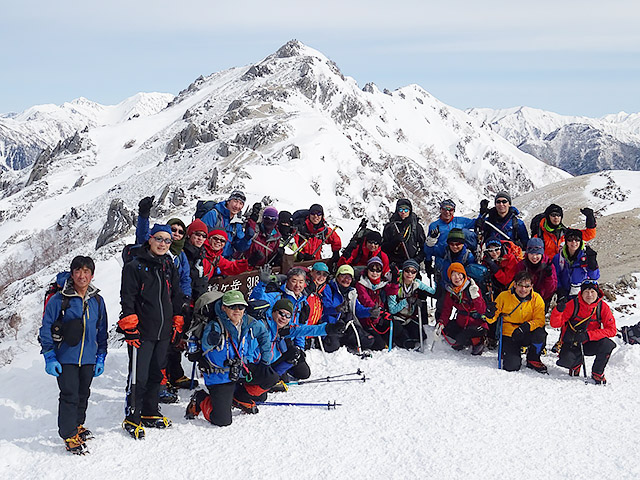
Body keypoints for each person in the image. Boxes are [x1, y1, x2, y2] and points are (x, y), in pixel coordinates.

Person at [119, 224, 185, 439]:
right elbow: (127, 297)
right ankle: (133, 416)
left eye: (167, 240)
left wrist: (177, 317)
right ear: (150, 239)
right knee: (139, 375)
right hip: (142, 331)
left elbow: (175, 293)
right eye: (159, 238)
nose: (163, 243)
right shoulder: (134, 266)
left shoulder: (168, 264)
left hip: (163, 330)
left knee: (157, 372)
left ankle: (149, 411)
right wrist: (129, 324)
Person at [39, 256, 108, 454]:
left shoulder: (97, 300)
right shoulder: (59, 299)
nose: (82, 275)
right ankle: (68, 434)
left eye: (86, 271)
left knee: (83, 394)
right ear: (72, 273)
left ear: (92, 275)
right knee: (69, 395)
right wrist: (50, 356)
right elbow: (46, 328)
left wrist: (101, 355)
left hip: (88, 357)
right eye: (78, 271)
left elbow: (101, 329)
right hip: (65, 357)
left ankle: (77, 425)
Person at [184, 290, 273, 425]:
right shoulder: (215, 326)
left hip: (240, 370)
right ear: (223, 308)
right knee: (222, 420)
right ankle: (200, 398)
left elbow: (263, 335)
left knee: (270, 378)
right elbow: (206, 348)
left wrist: (265, 361)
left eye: (241, 307)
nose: (237, 310)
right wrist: (211, 341)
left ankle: (237, 397)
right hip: (220, 376)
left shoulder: (247, 321)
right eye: (232, 307)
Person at [232, 298, 345, 403]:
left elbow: (304, 330)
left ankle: (268, 382)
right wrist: (254, 371)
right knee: (261, 396)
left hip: (266, 363)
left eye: (287, 316)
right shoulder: (262, 327)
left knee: (294, 354)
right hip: (252, 366)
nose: (284, 318)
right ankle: (242, 393)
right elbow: (247, 351)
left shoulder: (282, 328)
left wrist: (330, 328)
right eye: (281, 313)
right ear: (274, 311)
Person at [550, 280, 616, 384]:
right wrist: (558, 311)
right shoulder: (573, 305)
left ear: (597, 293)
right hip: (573, 342)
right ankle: (575, 364)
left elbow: (612, 330)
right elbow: (555, 324)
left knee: (608, 345)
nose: (589, 295)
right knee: (565, 361)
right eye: (586, 292)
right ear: (581, 293)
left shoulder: (602, 307)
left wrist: (589, 335)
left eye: (592, 292)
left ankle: (597, 373)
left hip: (590, 342)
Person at [486, 271, 548, 373]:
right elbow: (492, 319)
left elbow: (540, 321)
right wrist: (489, 314)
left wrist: (527, 327)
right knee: (511, 366)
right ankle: (510, 352)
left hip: (527, 331)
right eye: (520, 285)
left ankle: (533, 358)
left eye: (527, 286)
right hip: (510, 333)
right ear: (515, 285)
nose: (523, 289)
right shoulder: (504, 296)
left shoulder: (536, 299)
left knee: (540, 334)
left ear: (532, 286)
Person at [136, 196, 192, 303]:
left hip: (171, 301)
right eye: (173, 229)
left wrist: (186, 297)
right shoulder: (155, 247)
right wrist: (143, 216)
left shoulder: (180, 255)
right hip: (150, 300)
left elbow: (185, 279)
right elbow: (143, 236)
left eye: (181, 232)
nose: (177, 233)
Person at [321, 264, 378, 353]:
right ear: (337, 276)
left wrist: (370, 311)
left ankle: (345, 340)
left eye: (349, 277)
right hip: (332, 325)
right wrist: (336, 309)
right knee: (331, 346)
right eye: (343, 276)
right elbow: (325, 307)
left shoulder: (351, 292)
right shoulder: (329, 288)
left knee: (369, 341)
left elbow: (358, 310)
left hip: (347, 326)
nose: (346, 279)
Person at [437, 263, 488, 355]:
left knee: (462, 338)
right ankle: (467, 340)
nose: (457, 277)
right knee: (447, 329)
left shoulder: (472, 287)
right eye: (453, 275)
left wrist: (476, 297)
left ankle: (478, 341)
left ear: (464, 274)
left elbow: (482, 310)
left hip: (476, 323)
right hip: (461, 321)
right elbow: (447, 309)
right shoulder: (451, 291)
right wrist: (442, 322)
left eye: (459, 274)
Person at [387, 259, 436, 349]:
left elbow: (433, 292)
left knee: (421, 336)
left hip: (409, 317)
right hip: (396, 317)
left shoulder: (416, 283)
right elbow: (392, 310)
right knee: (405, 340)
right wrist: (407, 301)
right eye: (407, 271)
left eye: (413, 272)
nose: (410, 274)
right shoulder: (395, 284)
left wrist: (437, 279)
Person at [355, 257, 399, 350]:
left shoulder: (382, 283)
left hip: (379, 317)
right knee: (379, 345)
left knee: (397, 328)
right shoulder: (361, 283)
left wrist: (395, 280)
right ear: (367, 270)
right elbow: (365, 300)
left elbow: (392, 291)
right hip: (367, 317)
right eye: (372, 269)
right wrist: (378, 311)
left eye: (378, 270)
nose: (375, 273)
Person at [423, 199, 475, 277]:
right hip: (442, 259)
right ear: (440, 210)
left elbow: (477, 223)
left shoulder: (460, 221)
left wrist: (482, 213)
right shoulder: (434, 226)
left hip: (460, 258)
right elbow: (429, 246)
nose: (447, 212)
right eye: (444, 209)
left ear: (453, 211)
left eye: (450, 209)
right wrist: (428, 262)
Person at [530, 204, 597, 259]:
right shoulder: (539, 236)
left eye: (558, 215)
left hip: (563, 269)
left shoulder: (566, 232)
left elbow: (589, 234)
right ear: (548, 217)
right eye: (553, 215)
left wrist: (590, 218)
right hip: (547, 271)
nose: (556, 217)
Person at [201, 190, 253, 258]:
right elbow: (201, 236)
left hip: (226, 261)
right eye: (235, 201)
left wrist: (246, 239)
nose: (237, 206)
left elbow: (239, 246)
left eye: (241, 203)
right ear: (228, 201)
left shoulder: (237, 223)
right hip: (209, 258)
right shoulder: (213, 215)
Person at [552, 229, 600, 300]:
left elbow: (594, 277)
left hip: (582, 294)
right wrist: (560, 290)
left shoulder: (586, 257)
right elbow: (555, 276)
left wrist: (593, 264)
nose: (574, 242)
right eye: (570, 239)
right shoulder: (559, 258)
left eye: (577, 239)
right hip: (565, 294)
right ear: (566, 242)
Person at [381, 198, 426, 266]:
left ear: (410, 211)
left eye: (406, 210)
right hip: (393, 263)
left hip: (411, 264)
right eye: (401, 209)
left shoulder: (416, 227)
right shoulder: (390, 226)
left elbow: (424, 247)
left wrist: (416, 260)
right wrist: (394, 242)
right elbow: (383, 247)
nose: (403, 212)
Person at [515, 237, 557, 308]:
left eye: (537, 254)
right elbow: (516, 283)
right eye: (531, 253)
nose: (534, 257)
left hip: (542, 299)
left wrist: (549, 277)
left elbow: (551, 289)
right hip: (524, 298)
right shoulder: (521, 265)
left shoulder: (548, 265)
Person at [304, 262, 331, 327]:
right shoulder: (304, 286)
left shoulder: (322, 290)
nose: (321, 277)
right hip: (302, 330)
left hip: (313, 330)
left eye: (325, 275)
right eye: (318, 273)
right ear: (311, 272)